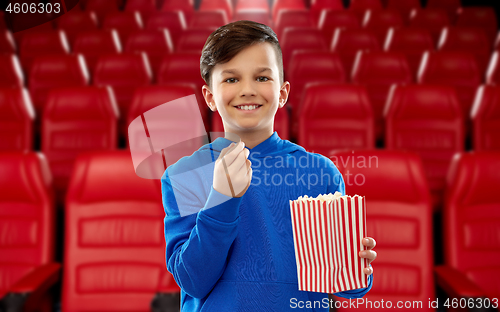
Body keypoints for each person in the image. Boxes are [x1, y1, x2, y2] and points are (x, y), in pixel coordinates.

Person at [161, 20, 377, 311]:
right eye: (231, 79)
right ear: (210, 97)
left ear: (283, 93)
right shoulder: (183, 176)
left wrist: (354, 267)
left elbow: (344, 285)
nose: (248, 90)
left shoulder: (321, 173)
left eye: (262, 78)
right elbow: (193, 280)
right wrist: (222, 198)